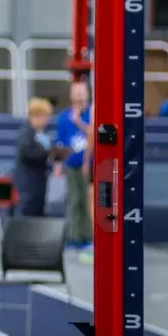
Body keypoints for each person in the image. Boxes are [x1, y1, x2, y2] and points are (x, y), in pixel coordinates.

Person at [56, 79, 94, 258]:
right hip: (71, 166)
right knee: (74, 200)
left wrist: (79, 122)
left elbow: (94, 134)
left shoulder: (93, 114)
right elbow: (60, 142)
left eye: (82, 91)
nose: (79, 95)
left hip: (90, 166)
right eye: (76, 92)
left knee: (88, 202)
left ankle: (88, 237)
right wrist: (58, 164)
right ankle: (73, 237)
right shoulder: (63, 118)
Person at [15, 97, 60, 218]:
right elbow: (27, 152)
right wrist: (47, 153)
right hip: (28, 186)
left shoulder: (41, 135)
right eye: (45, 117)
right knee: (28, 216)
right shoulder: (26, 133)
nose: (46, 121)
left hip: (39, 183)